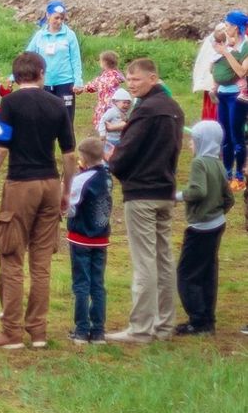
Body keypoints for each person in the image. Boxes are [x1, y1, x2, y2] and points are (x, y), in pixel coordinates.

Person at [0, 50, 76, 350]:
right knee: (42, 262)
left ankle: (11, 331)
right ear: (42, 74)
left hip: (20, 184)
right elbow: (70, 155)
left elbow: (0, 148)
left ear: (15, 76)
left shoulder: (8, 103)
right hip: (49, 183)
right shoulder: (57, 104)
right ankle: (38, 331)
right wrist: (65, 190)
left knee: (11, 258)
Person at [103, 57, 185, 346]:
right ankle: (164, 325)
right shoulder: (174, 109)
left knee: (145, 261)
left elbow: (126, 151)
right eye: (129, 79)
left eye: (136, 79)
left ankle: (140, 328)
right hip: (165, 190)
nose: (132, 84)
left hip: (142, 193)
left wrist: (114, 165)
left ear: (153, 78)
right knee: (164, 259)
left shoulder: (146, 110)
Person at [175, 119, 229, 337]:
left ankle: (197, 321)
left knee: (187, 274)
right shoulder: (217, 161)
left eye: (193, 140)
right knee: (208, 273)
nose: (190, 144)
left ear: (202, 141)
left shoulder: (200, 163)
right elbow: (228, 197)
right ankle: (207, 319)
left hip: (201, 228)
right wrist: (218, 213)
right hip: (217, 225)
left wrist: (176, 196)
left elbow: (198, 191)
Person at [65, 135, 112, 345]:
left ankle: (82, 329)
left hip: (81, 237)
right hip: (101, 237)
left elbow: (70, 207)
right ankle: (99, 329)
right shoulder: (108, 177)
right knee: (98, 283)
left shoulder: (82, 179)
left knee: (81, 283)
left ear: (82, 158)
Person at [204, 24, 248, 190]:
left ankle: (239, 176)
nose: (226, 27)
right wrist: (215, 86)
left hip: (237, 95)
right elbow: (214, 68)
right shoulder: (225, 46)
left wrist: (226, 53)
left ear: (236, 27)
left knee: (237, 136)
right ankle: (227, 173)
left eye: (229, 25)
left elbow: (241, 72)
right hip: (222, 93)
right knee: (225, 136)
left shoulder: (244, 46)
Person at [26, 1, 84, 121]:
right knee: (45, 120)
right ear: (48, 15)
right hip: (44, 83)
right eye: (56, 17)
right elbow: (28, 56)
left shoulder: (70, 35)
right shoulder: (40, 35)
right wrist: (16, 75)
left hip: (65, 83)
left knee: (66, 120)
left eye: (62, 18)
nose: (59, 21)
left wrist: (78, 80)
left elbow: (75, 59)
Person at [81, 51, 124, 139]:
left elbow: (91, 86)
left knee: (103, 125)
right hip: (116, 105)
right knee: (115, 126)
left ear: (104, 63)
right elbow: (122, 79)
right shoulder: (117, 76)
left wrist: (82, 88)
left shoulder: (102, 78)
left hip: (104, 106)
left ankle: (103, 140)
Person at [99, 88, 134, 161]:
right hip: (111, 139)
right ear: (115, 102)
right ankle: (106, 167)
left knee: (119, 155)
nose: (126, 105)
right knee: (108, 154)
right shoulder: (112, 112)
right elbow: (102, 121)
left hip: (120, 139)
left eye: (128, 103)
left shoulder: (126, 113)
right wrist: (102, 133)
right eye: (124, 103)